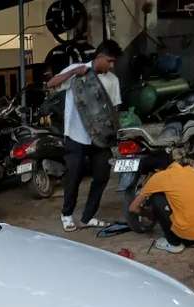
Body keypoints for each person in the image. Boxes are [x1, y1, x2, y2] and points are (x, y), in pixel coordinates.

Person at [46, 40, 123, 233]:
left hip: (101, 139)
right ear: (99, 57)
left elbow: (114, 110)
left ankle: (88, 216)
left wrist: (115, 133)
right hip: (76, 136)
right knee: (73, 177)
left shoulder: (113, 81)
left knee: (102, 176)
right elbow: (51, 84)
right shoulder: (77, 70)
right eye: (110, 61)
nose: (111, 66)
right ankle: (66, 215)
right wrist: (73, 72)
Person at [128, 161, 194, 253]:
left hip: (190, 239)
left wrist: (150, 214)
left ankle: (174, 243)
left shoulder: (157, 177)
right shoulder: (191, 170)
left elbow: (132, 208)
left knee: (156, 198)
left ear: (155, 170)